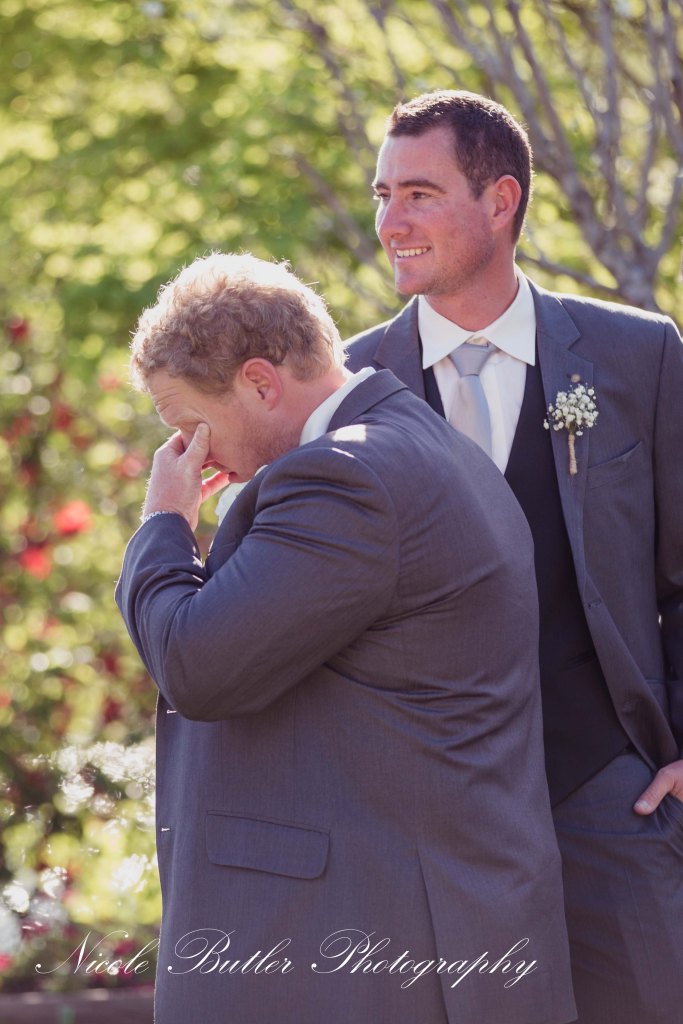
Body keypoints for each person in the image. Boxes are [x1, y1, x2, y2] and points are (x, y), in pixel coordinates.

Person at [115, 252, 575, 1024]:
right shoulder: (417, 445)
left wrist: (164, 522)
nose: (188, 453)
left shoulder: (346, 479)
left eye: (189, 422)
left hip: (366, 953)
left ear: (260, 383)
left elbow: (195, 664)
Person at [345, 89, 683, 1024]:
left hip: (613, 797)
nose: (390, 223)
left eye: (418, 194)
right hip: (423, 825)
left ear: (501, 201)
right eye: (382, 196)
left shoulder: (638, 355)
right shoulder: (349, 383)